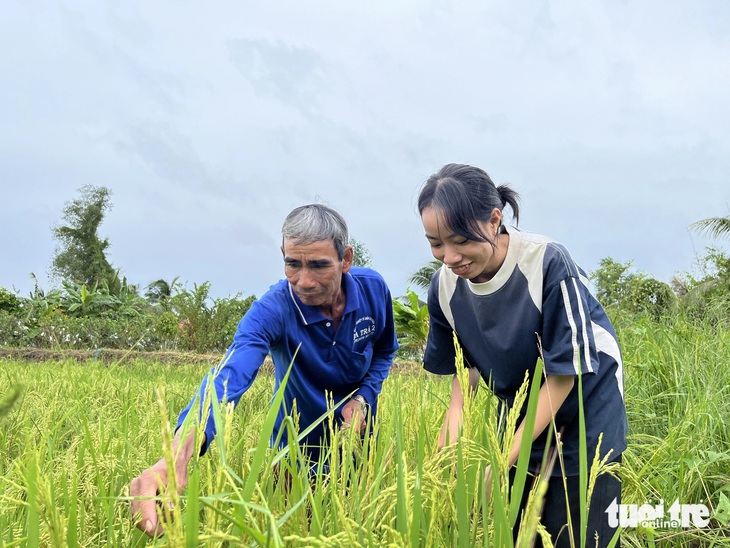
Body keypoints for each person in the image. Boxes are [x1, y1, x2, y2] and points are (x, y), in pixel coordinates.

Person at [129, 204, 398, 537]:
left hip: (357, 440)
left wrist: (365, 396)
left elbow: (385, 351)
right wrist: (177, 457)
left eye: (319, 265)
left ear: (345, 259)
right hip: (293, 448)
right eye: (292, 264)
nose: (304, 281)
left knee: (355, 526)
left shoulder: (373, 290)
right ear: (283, 254)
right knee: (290, 531)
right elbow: (229, 376)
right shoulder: (273, 309)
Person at [417, 164, 627, 547]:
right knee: (519, 532)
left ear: (494, 219)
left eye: (460, 240)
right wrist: (448, 445)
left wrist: (502, 458)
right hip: (521, 407)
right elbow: (465, 374)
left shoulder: (546, 263)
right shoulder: (445, 288)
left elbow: (565, 373)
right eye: (435, 243)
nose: (449, 256)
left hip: (585, 406)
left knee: (578, 532)